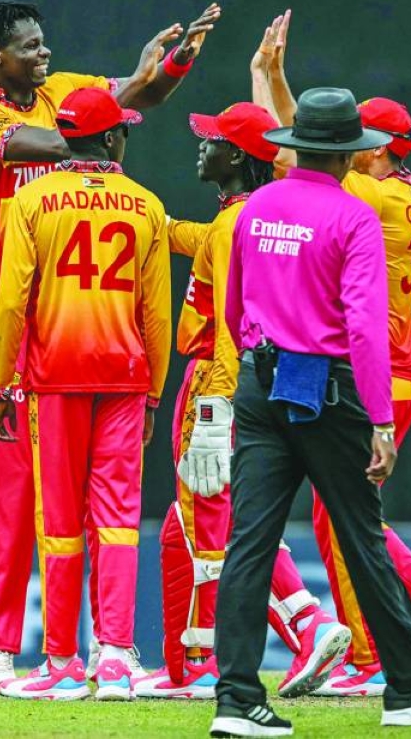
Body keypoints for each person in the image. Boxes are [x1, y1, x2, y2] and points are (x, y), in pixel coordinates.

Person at [0, 0, 220, 695]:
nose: (43, 55)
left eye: (45, 43)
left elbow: (138, 100)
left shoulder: (64, 92)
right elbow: (65, 141)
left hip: (86, 320)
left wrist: (170, 64)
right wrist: (108, 107)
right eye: (30, 46)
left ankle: (104, 650)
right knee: (15, 493)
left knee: (100, 501)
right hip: (15, 319)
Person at [209, 88, 411, 736]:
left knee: (249, 542)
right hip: (327, 389)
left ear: (296, 147)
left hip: (261, 380)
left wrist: (257, 361)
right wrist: (380, 420)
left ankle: (238, 698)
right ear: (348, 153)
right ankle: (410, 684)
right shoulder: (353, 216)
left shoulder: (259, 205)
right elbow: (363, 327)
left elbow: (235, 306)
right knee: (360, 534)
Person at [254, 12, 411, 697]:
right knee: (341, 510)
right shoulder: (398, 193)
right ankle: (380, 638)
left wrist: (270, 79)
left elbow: (301, 155)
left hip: (380, 370)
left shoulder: (372, 194)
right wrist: (270, 78)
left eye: (362, 141)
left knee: (345, 514)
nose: (351, 147)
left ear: (378, 149)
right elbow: (309, 146)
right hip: (401, 364)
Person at [133, 102, 349, 700]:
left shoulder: (238, 223)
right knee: (196, 524)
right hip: (251, 378)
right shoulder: (249, 215)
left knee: (212, 524)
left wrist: (212, 409)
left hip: (216, 379)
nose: (202, 147)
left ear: (239, 156)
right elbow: (188, 236)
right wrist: (134, 204)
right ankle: (189, 661)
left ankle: (289, 629)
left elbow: (231, 322)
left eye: (213, 141)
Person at [0, 86, 171, 701]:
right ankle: (115, 657)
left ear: (66, 136)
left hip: (54, 377)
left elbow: (11, 301)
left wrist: (1, 382)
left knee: (60, 519)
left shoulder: (32, 199)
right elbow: (157, 316)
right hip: (123, 377)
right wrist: (153, 393)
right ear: (112, 137)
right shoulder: (146, 204)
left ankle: (62, 661)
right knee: (118, 518)